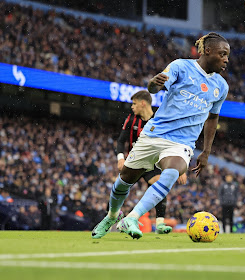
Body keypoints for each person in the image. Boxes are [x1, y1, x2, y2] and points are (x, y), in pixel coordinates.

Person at [92, 32, 230, 239]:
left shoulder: (221, 86)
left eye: (227, 55)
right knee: (125, 179)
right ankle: (112, 215)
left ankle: (132, 217)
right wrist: (152, 83)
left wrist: (206, 151)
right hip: (155, 133)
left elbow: (213, 119)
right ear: (207, 51)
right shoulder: (181, 67)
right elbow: (154, 88)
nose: (226, 60)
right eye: (223, 54)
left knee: (173, 170)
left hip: (182, 142)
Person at [115, 90, 187, 234]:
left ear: (143, 103)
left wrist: (179, 169)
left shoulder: (159, 121)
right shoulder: (131, 119)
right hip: (134, 161)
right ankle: (111, 217)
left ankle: (160, 224)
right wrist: (120, 157)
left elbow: (172, 144)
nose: (132, 107)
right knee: (120, 188)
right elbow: (121, 140)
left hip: (152, 164)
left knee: (160, 183)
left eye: (134, 104)